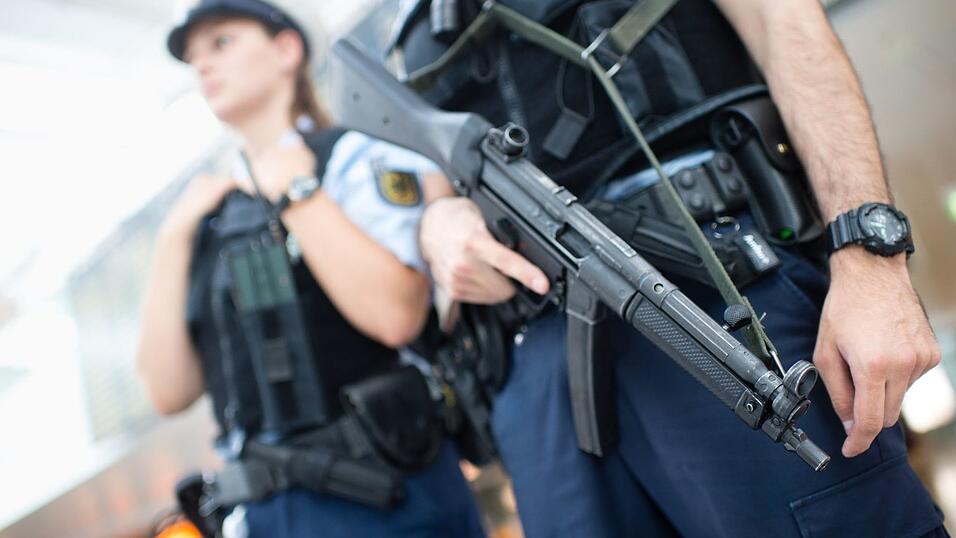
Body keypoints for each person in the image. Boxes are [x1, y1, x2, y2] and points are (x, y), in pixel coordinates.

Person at [399, 0, 947, 536]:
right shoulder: (414, 18)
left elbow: (786, 25)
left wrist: (870, 257)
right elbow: (436, 170)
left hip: (717, 299)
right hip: (537, 362)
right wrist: (436, 223)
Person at [136, 1, 485, 536]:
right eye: (193, 57)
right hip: (267, 511)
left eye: (221, 43)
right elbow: (169, 392)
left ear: (286, 49)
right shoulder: (209, 213)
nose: (201, 65)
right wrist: (171, 238)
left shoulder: (353, 157)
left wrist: (299, 192)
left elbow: (397, 315)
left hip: (387, 497)